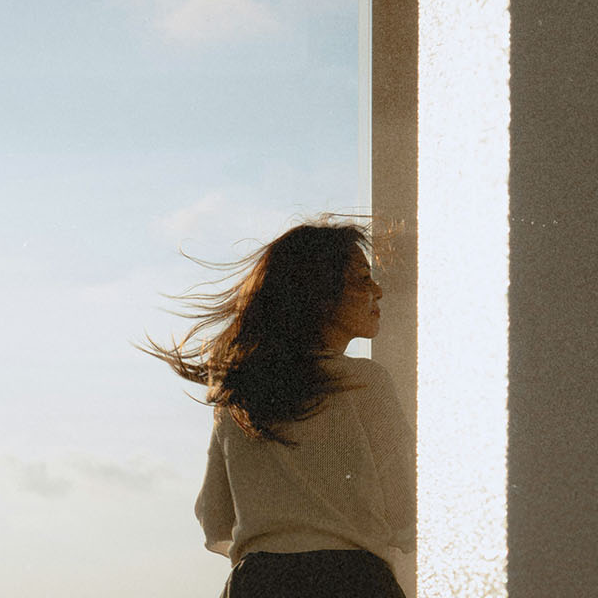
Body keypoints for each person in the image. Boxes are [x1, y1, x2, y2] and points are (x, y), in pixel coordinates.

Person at [144, 218, 414, 598]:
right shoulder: (365, 382)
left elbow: (215, 518)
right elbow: (407, 505)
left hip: (259, 582)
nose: (378, 291)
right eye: (361, 280)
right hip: (353, 581)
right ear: (319, 295)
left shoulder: (239, 392)